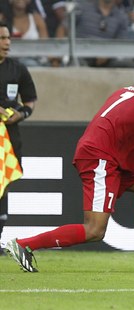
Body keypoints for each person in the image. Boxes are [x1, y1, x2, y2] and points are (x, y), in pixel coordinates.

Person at [4, 63, 134, 273]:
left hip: (107, 156)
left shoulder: (129, 91)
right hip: (101, 159)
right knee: (94, 230)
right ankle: (24, 244)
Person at [0, 21, 37, 255]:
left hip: (9, 140)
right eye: (2, 39)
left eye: (8, 39)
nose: (7, 43)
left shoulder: (18, 69)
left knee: (3, 189)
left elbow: (30, 100)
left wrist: (20, 114)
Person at [66, 0, 134, 68]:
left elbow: (120, 43)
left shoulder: (122, 17)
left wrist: (108, 54)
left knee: (133, 66)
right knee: (76, 65)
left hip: (106, 58)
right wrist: (60, 53)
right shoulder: (81, 7)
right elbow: (63, 29)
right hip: (80, 54)